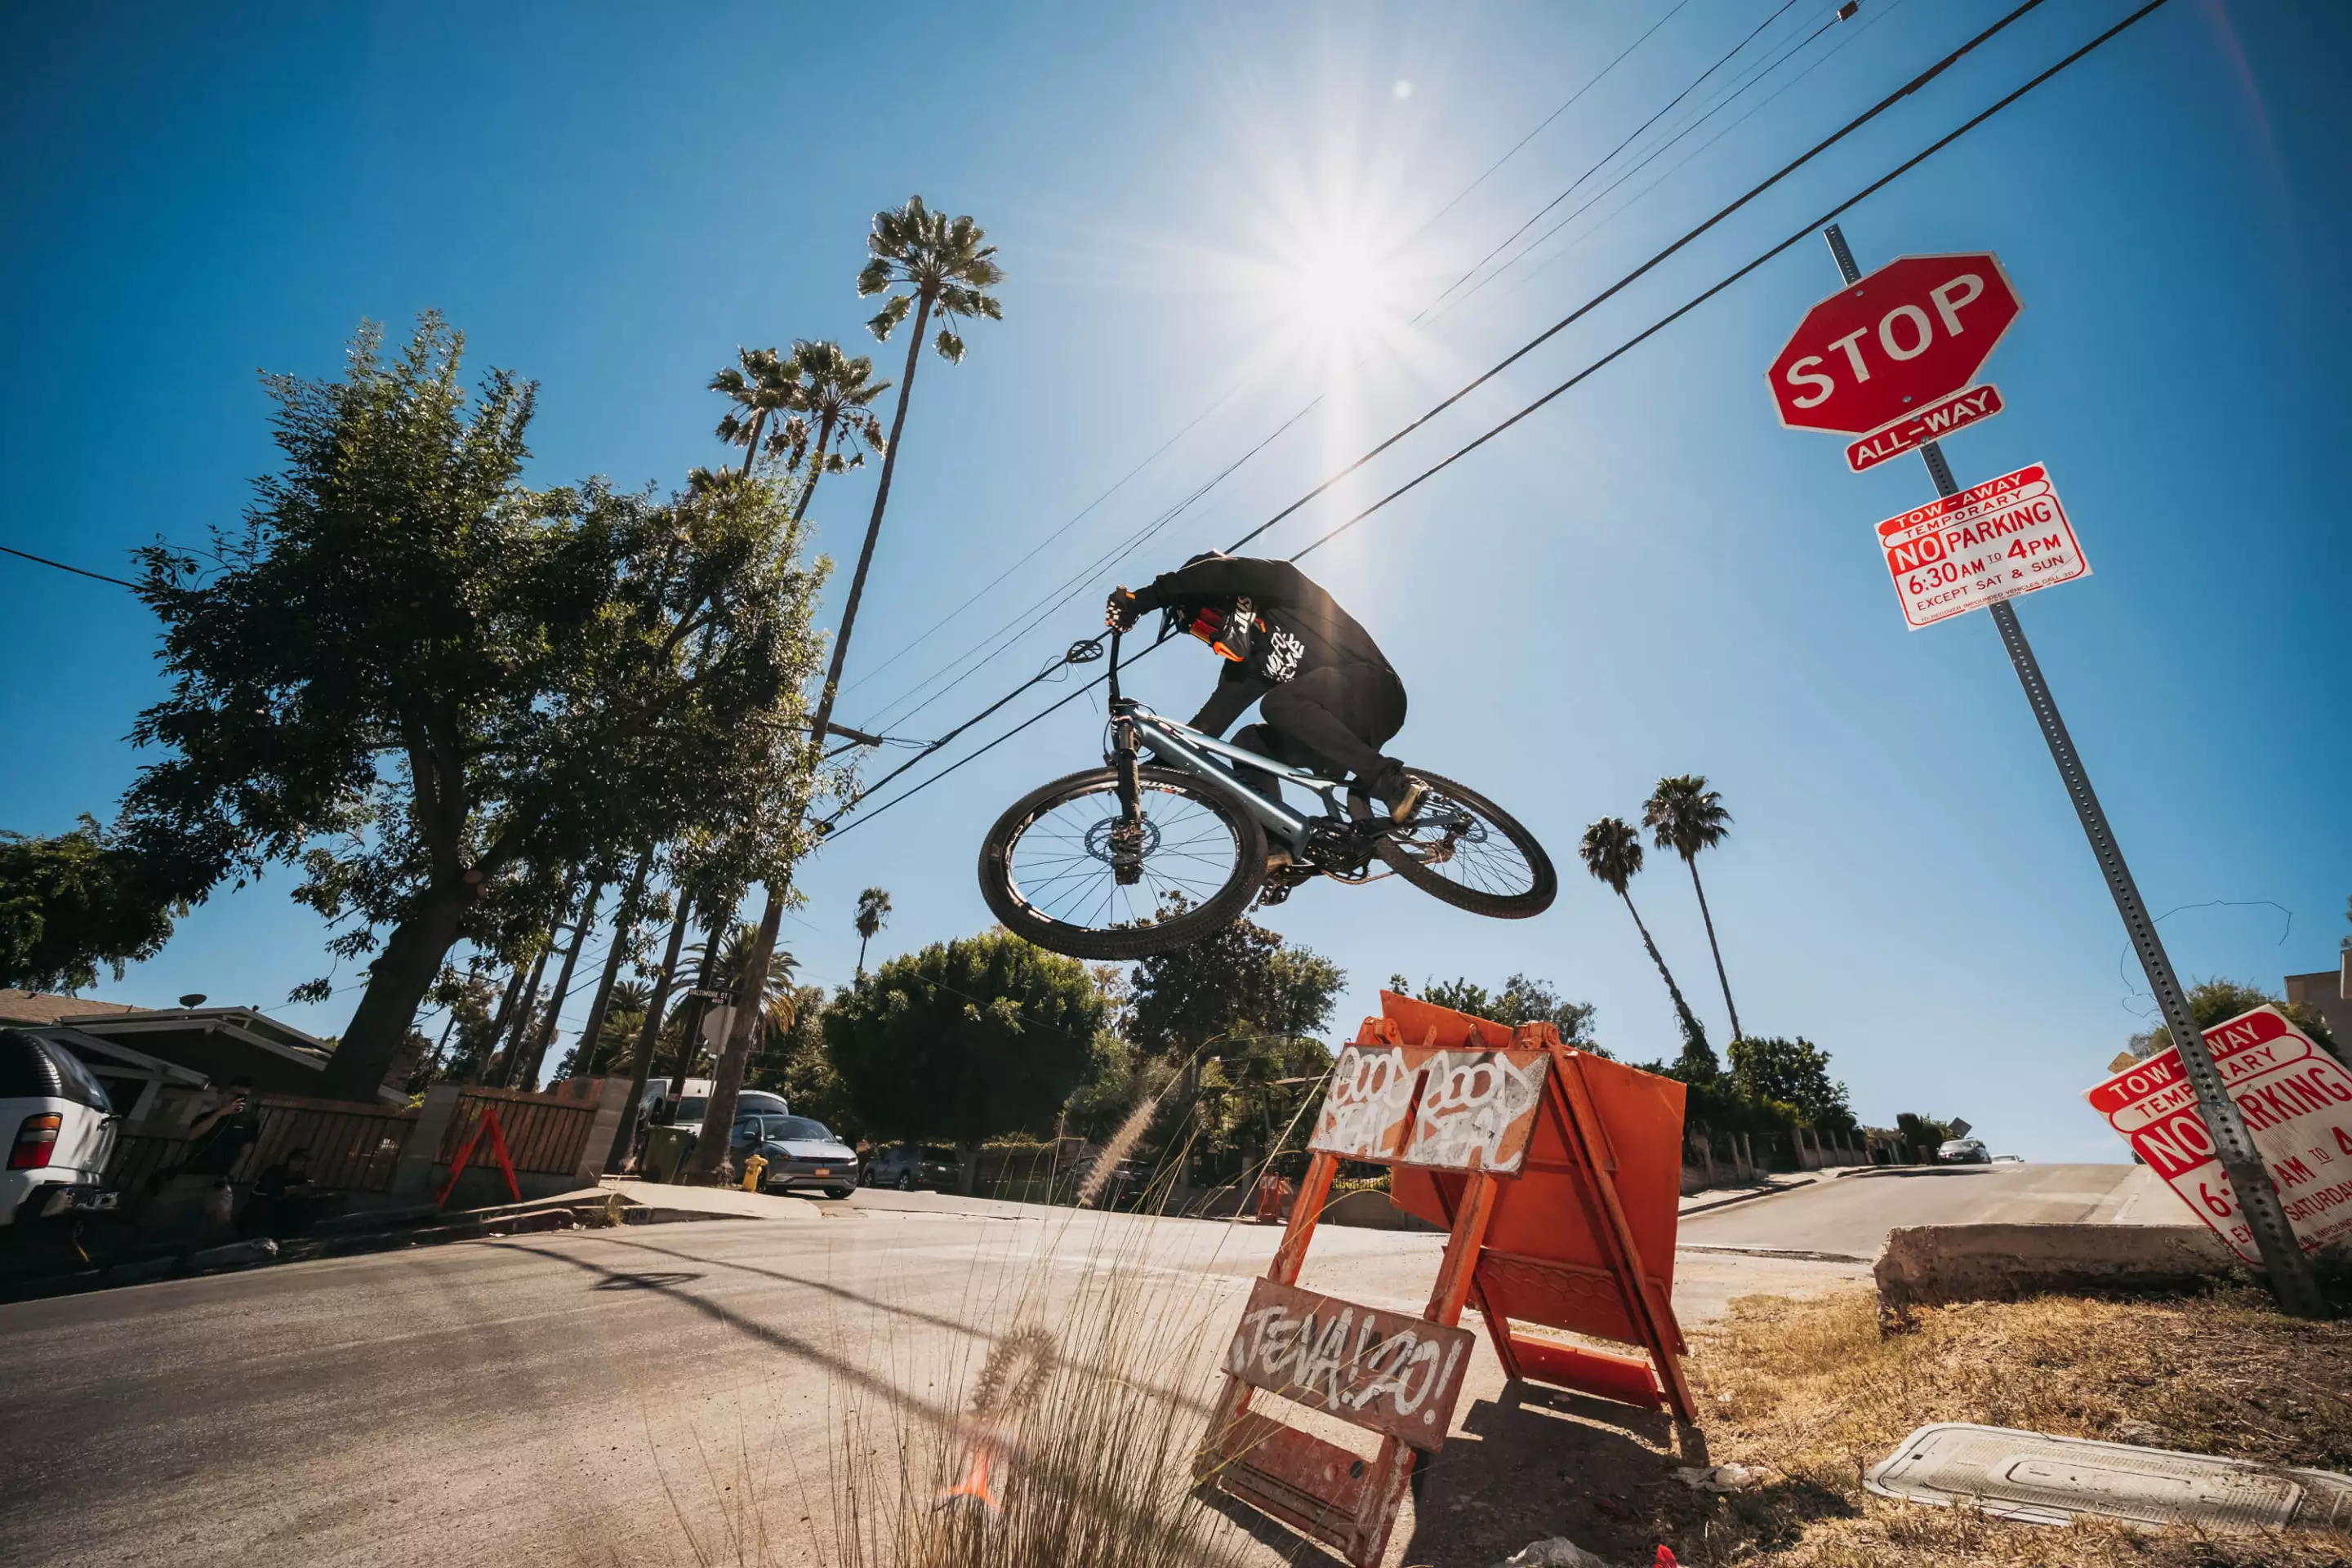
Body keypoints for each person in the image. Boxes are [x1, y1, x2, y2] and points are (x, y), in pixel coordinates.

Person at [1106, 553, 1426, 830]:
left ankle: (1391, 782)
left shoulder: (1281, 585)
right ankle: (1278, 844)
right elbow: (1205, 729)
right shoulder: (1250, 664)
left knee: (1279, 702)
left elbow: (1226, 572)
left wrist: (1143, 600)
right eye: (1202, 634)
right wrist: (1143, 772)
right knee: (1248, 742)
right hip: (1335, 732)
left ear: (1227, 599)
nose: (1213, 640)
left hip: (1377, 692)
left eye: (1207, 623)